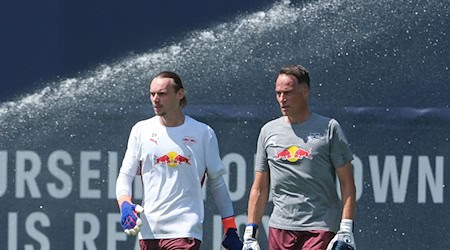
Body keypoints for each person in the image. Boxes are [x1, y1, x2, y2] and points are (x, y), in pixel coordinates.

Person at [116, 71, 243, 250]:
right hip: (149, 231)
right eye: (152, 94)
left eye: (162, 94)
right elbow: (125, 175)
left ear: (180, 94)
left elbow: (217, 183)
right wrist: (125, 205)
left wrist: (230, 227)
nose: (155, 99)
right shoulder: (140, 130)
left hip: (185, 231)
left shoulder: (203, 133)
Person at [242, 65, 357, 250]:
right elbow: (260, 187)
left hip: (320, 227)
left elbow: (347, 183)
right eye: (278, 93)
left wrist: (346, 228)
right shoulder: (268, 131)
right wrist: (250, 233)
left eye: (287, 93)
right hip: (280, 228)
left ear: (305, 91)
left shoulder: (329, 128)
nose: (282, 99)